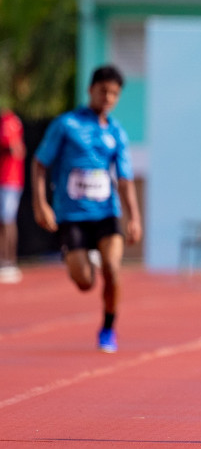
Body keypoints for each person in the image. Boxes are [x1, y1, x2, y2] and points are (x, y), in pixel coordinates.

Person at [30, 66, 143, 351]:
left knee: (114, 270)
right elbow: (39, 163)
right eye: (103, 90)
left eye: (114, 93)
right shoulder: (66, 125)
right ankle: (84, 261)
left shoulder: (117, 131)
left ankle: (108, 328)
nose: (108, 97)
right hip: (72, 216)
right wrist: (40, 203)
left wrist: (135, 217)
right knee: (84, 283)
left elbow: (125, 179)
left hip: (107, 213)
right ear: (90, 90)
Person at [0, 105, 23, 283]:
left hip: (8, 180)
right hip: (8, 180)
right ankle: (5, 260)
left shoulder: (8, 121)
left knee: (6, 220)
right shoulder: (11, 120)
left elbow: (14, 148)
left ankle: (8, 261)